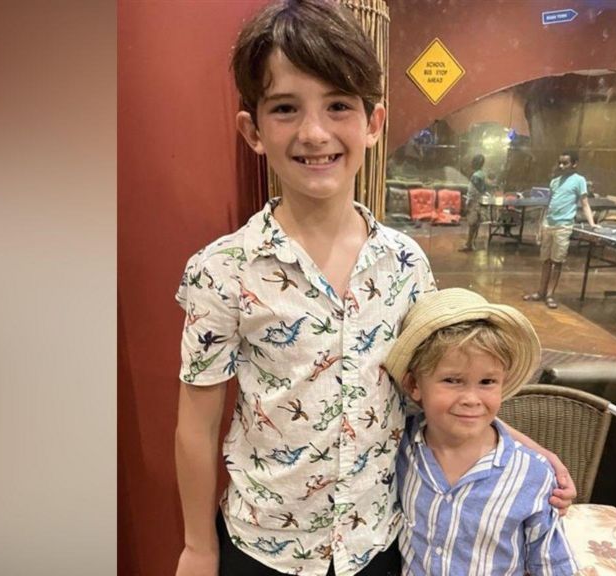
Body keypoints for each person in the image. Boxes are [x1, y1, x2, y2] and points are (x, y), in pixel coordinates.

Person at [173, 2, 575, 575]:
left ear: (373, 123)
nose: (314, 132)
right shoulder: (223, 269)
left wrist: (508, 438)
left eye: (338, 105)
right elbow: (197, 422)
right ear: (253, 130)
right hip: (264, 545)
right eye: (285, 108)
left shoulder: (407, 263)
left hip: (380, 541)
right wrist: (197, 545)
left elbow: (436, 378)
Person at [384, 288, 577, 575]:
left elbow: (550, 564)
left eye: (487, 381)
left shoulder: (532, 476)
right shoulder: (400, 449)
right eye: (452, 380)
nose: (471, 398)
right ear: (414, 385)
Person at [524, 151, 596, 309]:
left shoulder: (579, 180)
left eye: (566, 163)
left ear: (575, 164)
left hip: (564, 226)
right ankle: (540, 292)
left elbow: (585, 203)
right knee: (545, 261)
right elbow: (549, 205)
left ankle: (550, 295)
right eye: (560, 163)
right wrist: (540, 226)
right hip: (548, 224)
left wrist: (592, 223)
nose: (562, 166)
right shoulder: (555, 181)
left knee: (557, 262)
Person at [458, 154, 489, 252]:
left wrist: (468, 204)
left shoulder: (476, 176)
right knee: (476, 224)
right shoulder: (482, 174)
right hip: (479, 202)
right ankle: (472, 243)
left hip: (474, 203)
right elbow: (483, 189)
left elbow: (473, 191)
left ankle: (469, 244)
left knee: (472, 224)